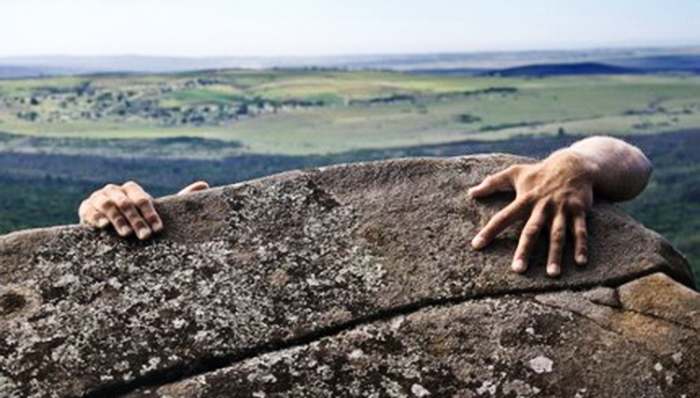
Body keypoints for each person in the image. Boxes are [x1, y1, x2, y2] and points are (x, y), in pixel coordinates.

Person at [78, 136, 652, 277]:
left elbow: (632, 164)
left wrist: (575, 164)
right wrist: (100, 211)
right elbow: (100, 231)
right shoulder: (208, 227)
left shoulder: (485, 184)